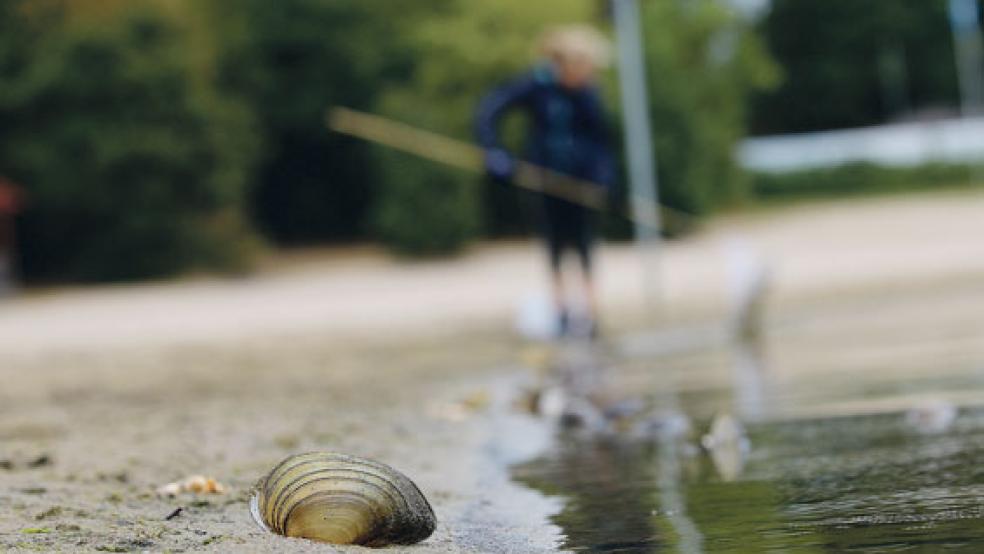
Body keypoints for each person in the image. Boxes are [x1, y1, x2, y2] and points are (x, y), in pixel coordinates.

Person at [475, 25, 616, 338]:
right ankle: (562, 315)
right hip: (542, 178)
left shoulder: (588, 93)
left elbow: (602, 140)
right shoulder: (535, 86)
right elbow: (489, 111)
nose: (587, 73)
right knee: (554, 245)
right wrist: (494, 152)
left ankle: (592, 318)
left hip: (582, 184)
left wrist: (603, 177)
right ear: (566, 63)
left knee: (584, 245)